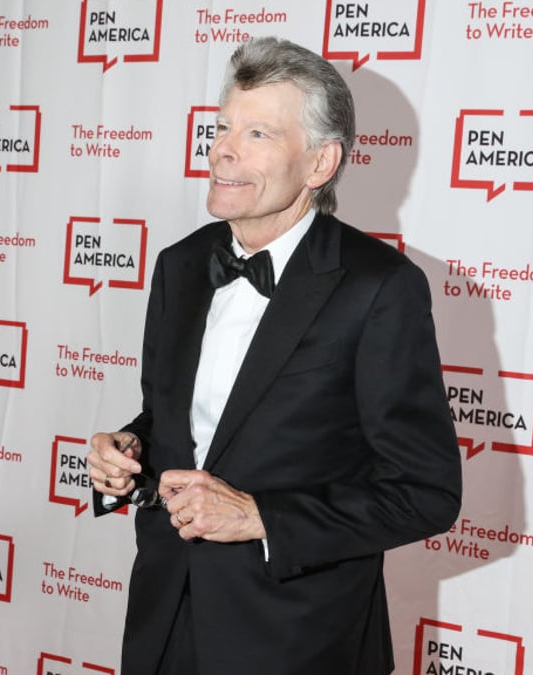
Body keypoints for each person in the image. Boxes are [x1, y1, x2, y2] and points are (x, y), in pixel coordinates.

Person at [87, 36, 461, 675]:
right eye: (223, 126)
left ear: (320, 164)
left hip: (298, 641)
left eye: (258, 133)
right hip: (164, 623)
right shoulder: (180, 265)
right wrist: (128, 449)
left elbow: (425, 493)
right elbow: (182, 423)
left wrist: (260, 517)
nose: (223, 150)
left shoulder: (379, 288)